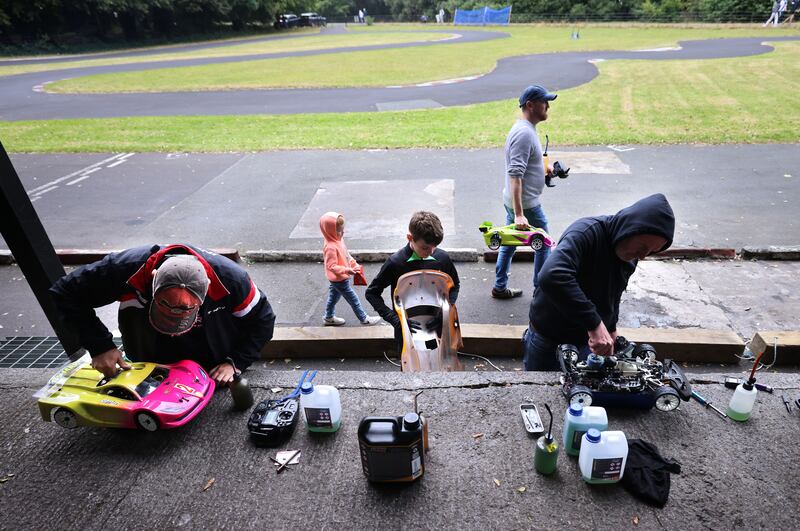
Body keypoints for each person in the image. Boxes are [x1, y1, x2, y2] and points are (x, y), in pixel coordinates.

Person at [49, 244, 276, 384]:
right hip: (147, 357)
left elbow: (263, 321)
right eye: (165, 305)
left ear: (206, 288)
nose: (174, 315)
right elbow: (65, 292)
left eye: (185, 310)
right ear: (154, 277)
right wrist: (100, 346)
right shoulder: (125, 269)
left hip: (211, 364)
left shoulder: (231, 280)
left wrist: (235, 362)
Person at [522, 194, 675, 371]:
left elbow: (613, 294)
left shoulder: (630, 255)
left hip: (588, 341)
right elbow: (551, 275)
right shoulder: (586, 232)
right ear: (630, 229)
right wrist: (594, 324)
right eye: (642, 247)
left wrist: (610, 328)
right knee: (539, 392)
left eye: (650, 252)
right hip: (550, 338)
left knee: (584, 392)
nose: (642, 256)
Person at [492, 84, 558, 300]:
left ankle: (499, 287)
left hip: (517, 201)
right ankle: (541, 292)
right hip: (527, 205)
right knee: (544, 243)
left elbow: (526, 166)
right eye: (544, 102)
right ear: (530, 105)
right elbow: (515, 175)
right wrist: (520, 213)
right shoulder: (523, 134)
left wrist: (546, 170)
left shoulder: (526, 129)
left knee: (510, 241)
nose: (548, 105)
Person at [366, 211, 460, 349]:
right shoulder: (395, 263)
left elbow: (454, 285)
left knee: (439, 367)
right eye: (425, 247)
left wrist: (444, 314)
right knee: (411, 368)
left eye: (435, 246)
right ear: (410, 237)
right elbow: (372, 293)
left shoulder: (442, 259)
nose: (431, 252)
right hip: (406, 335)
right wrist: (398, 321)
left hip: (438, 329)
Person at [320, 212, 381, 326]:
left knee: (333, 298)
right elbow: (331, 266)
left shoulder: (338, 240)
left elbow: (346, 254)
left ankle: (328, 317)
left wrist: (353, 264)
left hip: (338, 278)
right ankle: (364, 318)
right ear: (329, 231)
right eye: (338, 230)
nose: (342, 232)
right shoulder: (331, 247)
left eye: (343, 229)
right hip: (339, 279)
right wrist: (347, 270)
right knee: (353, 299)